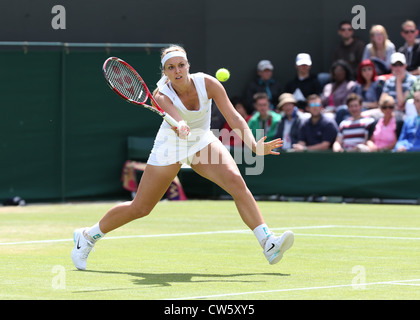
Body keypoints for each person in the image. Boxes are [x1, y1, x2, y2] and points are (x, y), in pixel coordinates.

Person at [71, 45, 293, 270]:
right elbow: (177, 119)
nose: (177, 71)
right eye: (171, 67)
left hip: (202, 141)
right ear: (165, 72)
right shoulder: (161, 95)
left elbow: (234, 117)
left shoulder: (208, 83)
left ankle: (268, 242)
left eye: (181, 65)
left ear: (188, 66)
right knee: (141, 208)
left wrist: (254, 145)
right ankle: (87, 237)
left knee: (236, 182)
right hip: (171, 146)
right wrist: (181, 125)